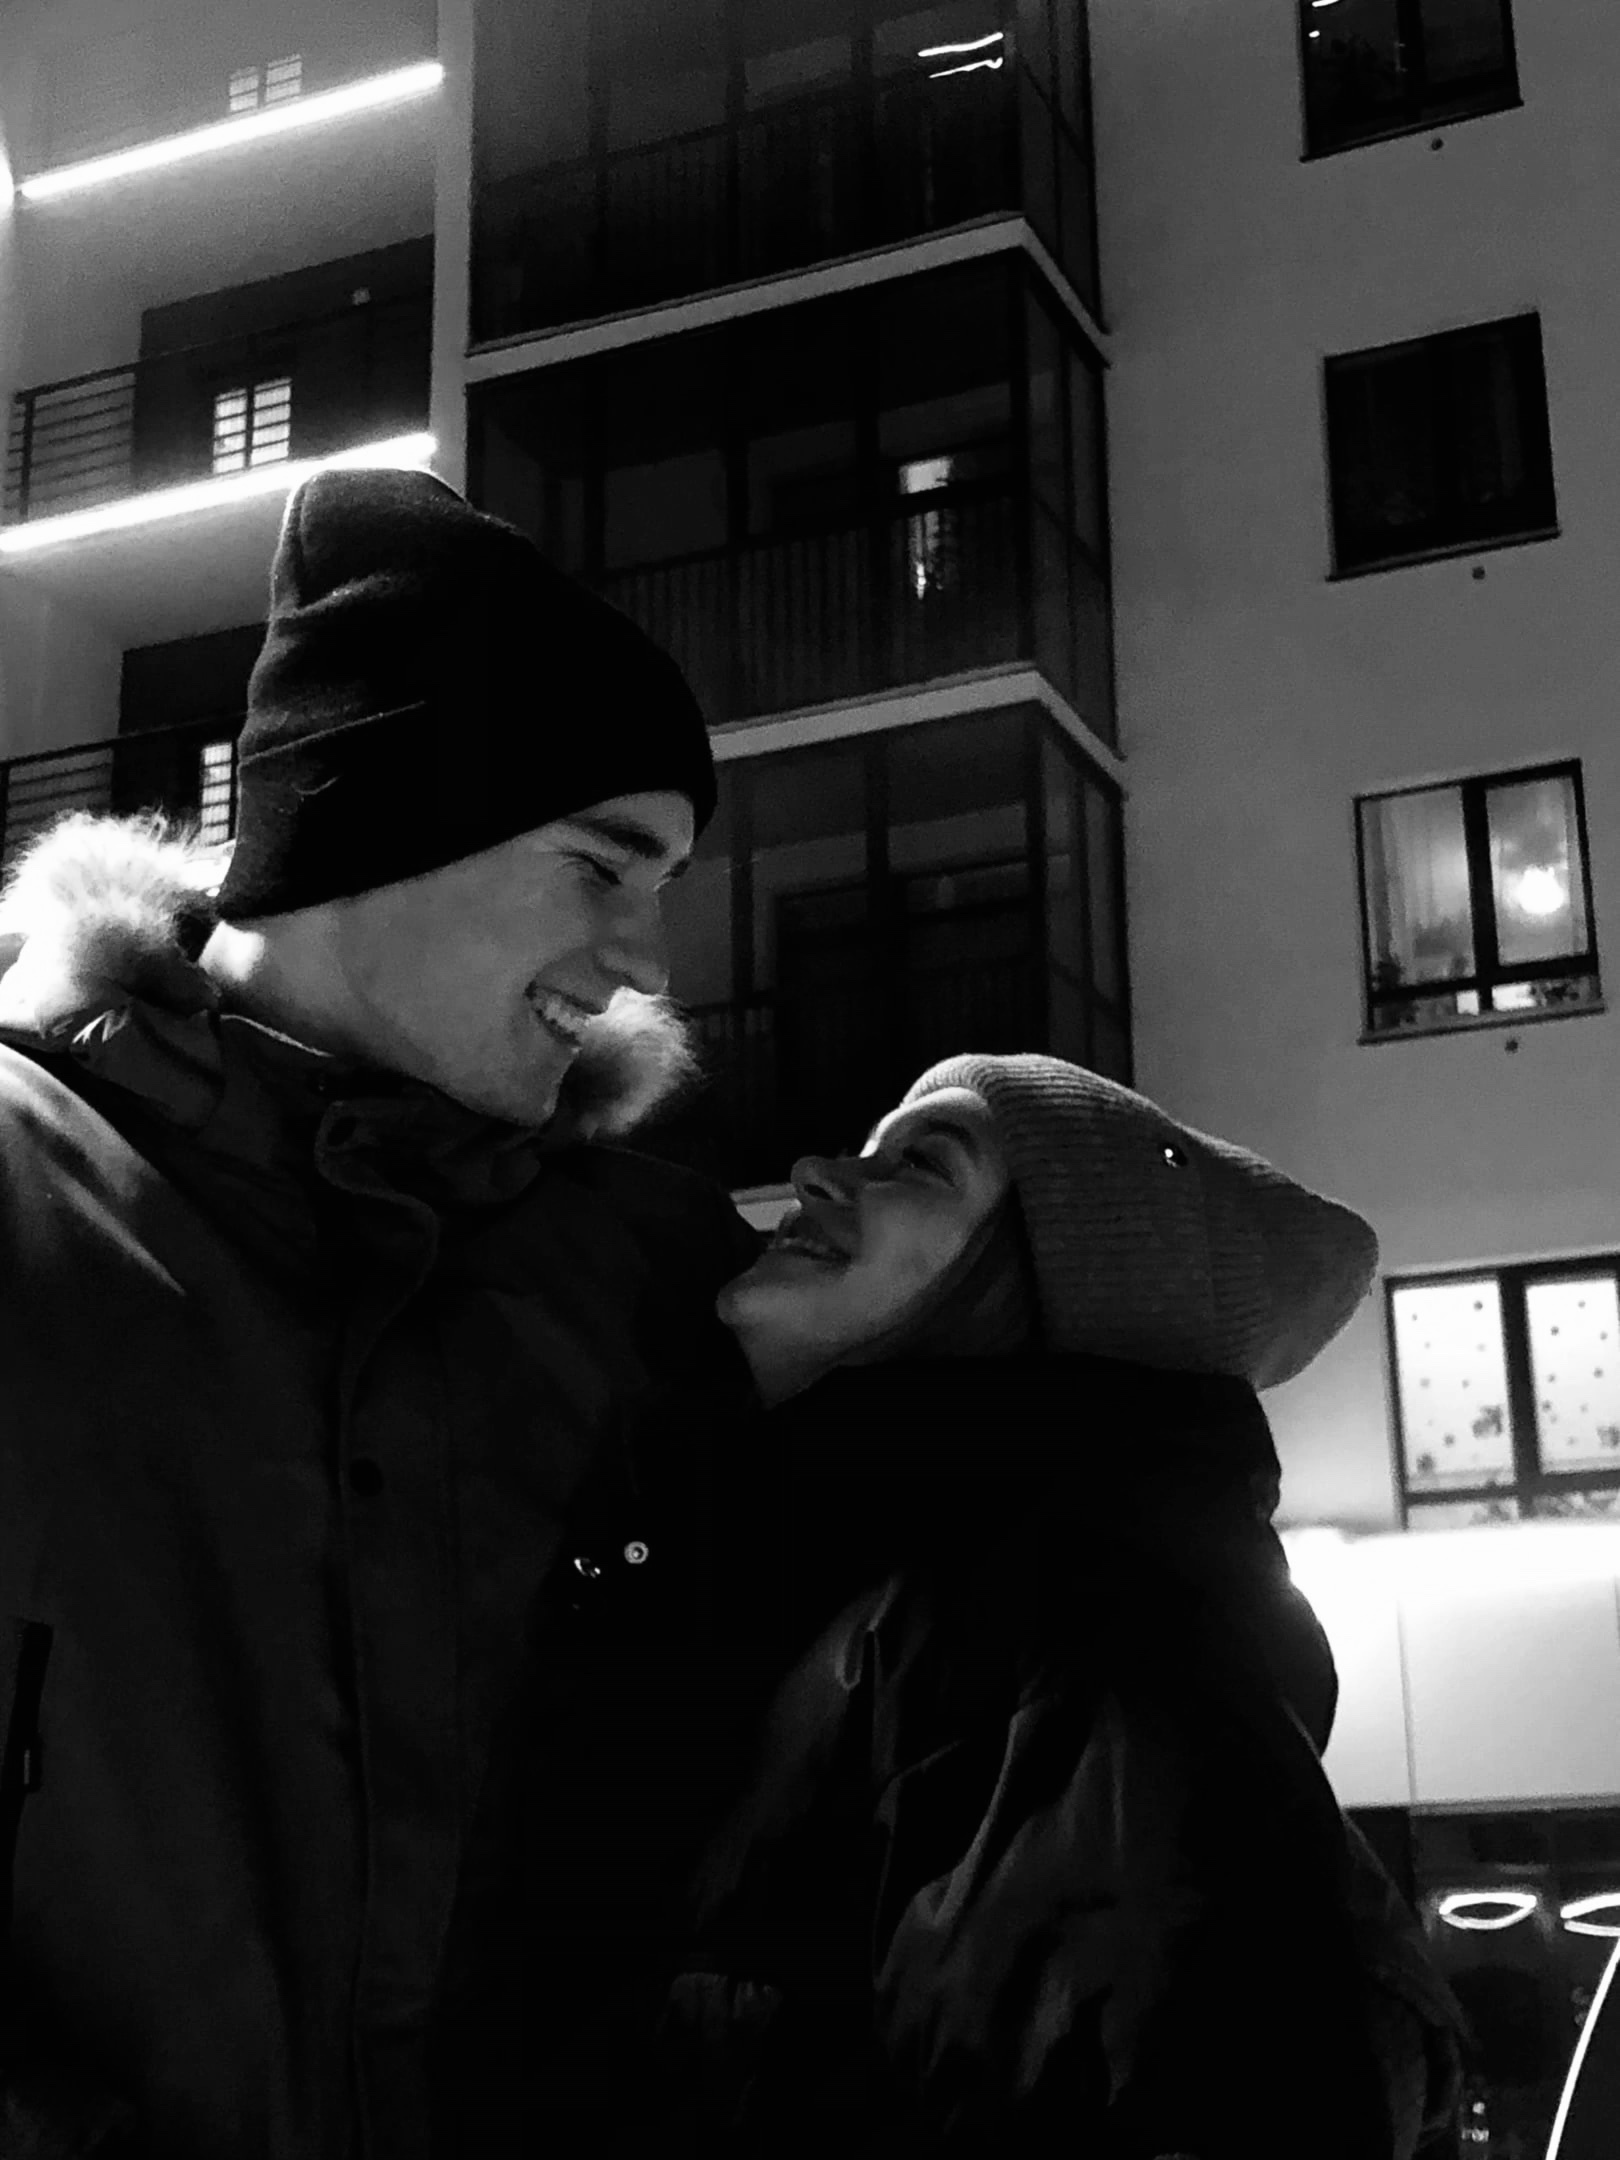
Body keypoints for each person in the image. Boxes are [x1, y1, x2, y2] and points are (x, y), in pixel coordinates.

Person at [0, 468, 761, 2160]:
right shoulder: (19, 1185)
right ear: (378, 824)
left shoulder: (637, 1275)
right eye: (603, 866)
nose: (646, 958)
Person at [652, 1052, 1464, 2156]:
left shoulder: (1076, 1645)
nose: (817, 1173)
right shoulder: (861, 1601)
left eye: (923, 1167)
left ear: (1036, 1293)